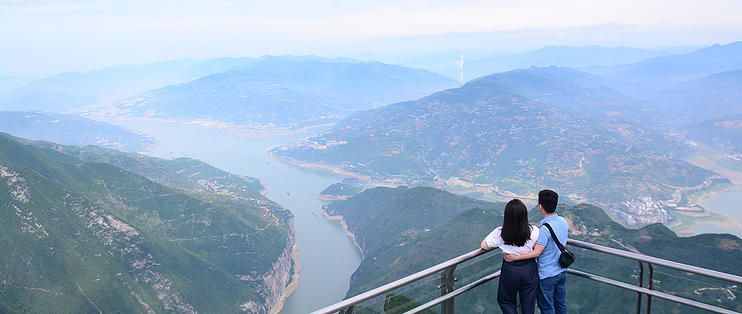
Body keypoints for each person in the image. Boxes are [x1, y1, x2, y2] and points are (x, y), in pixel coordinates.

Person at [504, 189, 568, 314]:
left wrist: (514, 258)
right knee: (561, 304)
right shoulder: (563, 221)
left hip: (547, 275)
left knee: (546, 307)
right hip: (562, 271)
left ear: (540, 206)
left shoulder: (544, 229)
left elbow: (536, 253)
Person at [481, 199, 540, 314]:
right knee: (529, 301)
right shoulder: (534, 231)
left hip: (510, 269)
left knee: (506, 300)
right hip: (529, 268)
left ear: (507, 216)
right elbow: (538, 248)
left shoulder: (501, 232)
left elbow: (484, 246)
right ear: (524, 215)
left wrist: (500, 243)